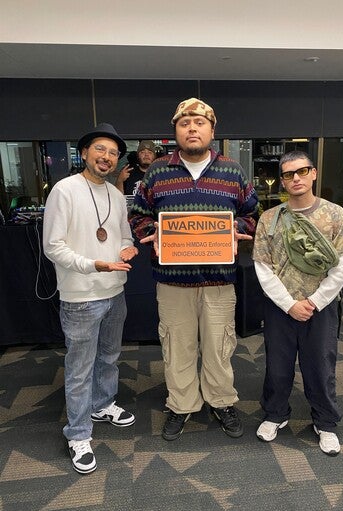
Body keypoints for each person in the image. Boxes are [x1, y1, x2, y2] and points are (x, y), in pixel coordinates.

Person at [130, 97, 259, 441]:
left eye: (199, 123)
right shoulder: (158, 170)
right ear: (175, 131)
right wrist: (151, 234)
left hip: (219, 279)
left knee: (219, 346)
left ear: (211, 131)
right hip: (173, 282)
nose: (192, 129)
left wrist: (238, 230)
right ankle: (182, 404)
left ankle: (220, 400)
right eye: (184, 123)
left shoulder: (232, 170)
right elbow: (139, 215)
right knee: (177, 347)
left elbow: (250, 213)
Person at [43, 123, 139, 474]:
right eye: (100, 149)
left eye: (113, 153)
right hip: (80, 296)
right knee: (80, 367)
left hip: (115, 290)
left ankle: (102, 404)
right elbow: (53, 247)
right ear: (84, 153)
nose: (107, 157)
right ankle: (78, 433)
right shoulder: (64, 190)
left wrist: (127, 250)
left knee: (109, 357)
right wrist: (93, 264)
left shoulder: (116, 194)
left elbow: (123, 236)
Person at [252, 151, 343, 456]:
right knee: (277, 366)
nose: (294, 178)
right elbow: (262, 266)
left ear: (313, 173)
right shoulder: (270, 218)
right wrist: (288, 304)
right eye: (287, 174)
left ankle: (325, 422)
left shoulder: (335, 215)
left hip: (320, 307)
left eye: (301, 171)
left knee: (320, 366)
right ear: (282, 180)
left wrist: (314, 300)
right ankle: (275, 414)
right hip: (280, 307)